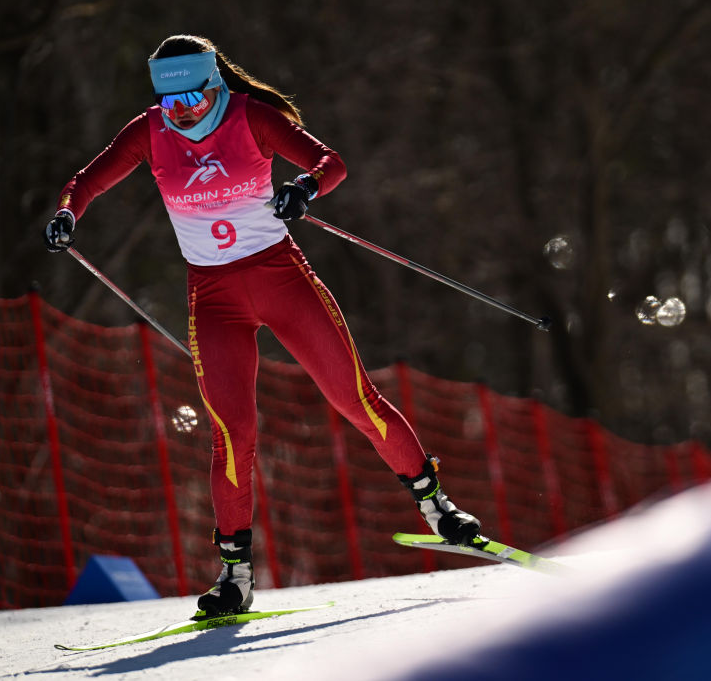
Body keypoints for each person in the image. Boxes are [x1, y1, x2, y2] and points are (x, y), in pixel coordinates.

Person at [44, 34, 481, 617]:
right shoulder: (150, 130)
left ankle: (438, 507)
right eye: (172, 106)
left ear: (214, 85)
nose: (184, 115)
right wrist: (68, 211)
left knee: (354, 398)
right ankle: (235, 576)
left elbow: (332, 163)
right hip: (214, 298)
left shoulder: (255, 117)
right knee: (231, 433)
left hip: (282, 280)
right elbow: (88, 179)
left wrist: (304, 187)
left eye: (193, 101)